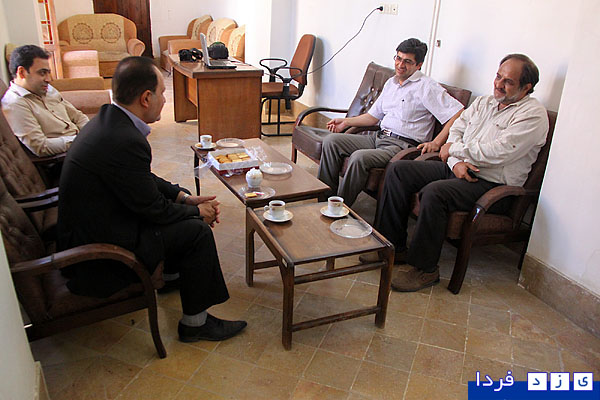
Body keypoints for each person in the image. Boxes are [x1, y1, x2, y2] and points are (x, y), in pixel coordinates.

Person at [57, 56, 247, 342]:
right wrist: (198, 213)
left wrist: (183, 197)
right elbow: (154, 210)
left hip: (95, 226)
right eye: (162, 93)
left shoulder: (108, 121)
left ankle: (171, 277)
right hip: (98, 252)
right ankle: (195, 324)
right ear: (146, 98)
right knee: (196, 232)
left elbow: (141, 179)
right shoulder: (124, 139)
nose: (165, 99)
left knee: (183, 211)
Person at [374, 54, 549, 292]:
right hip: (458, 168)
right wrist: (456, 161)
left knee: (435, 193)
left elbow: (500, 151)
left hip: (491, 184)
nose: (498, 84)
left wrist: (454, 152)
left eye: (508, 81)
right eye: (498, 76)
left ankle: (425, 269)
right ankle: (393, 246)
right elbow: (457, 129)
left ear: (526, 87)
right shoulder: (484, 102)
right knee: (399, 170)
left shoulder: (532, 115)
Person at [317, 38, 464, 207]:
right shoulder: (391, 83)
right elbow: (372, 117)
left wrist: (437, 142)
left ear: (419, 65)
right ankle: (323, 200)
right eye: (398, 58)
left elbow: (458, 113)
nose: (400, 65)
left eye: (407, 61)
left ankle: (338, 208)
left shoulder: (427, 87)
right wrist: (345, 122)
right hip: (378, 137)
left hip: (401, 146)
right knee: (331, 141)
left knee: (359, 157)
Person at [1, 45, 88, 156]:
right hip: (67, 157)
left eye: (48, 73)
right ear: (22, 72)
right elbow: (41, 147)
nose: (48, 79)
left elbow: (78, 116)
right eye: (42, 73)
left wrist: (91, 133)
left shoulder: (48, 90)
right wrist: (81, 140)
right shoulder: (14, 104)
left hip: (84, 145)